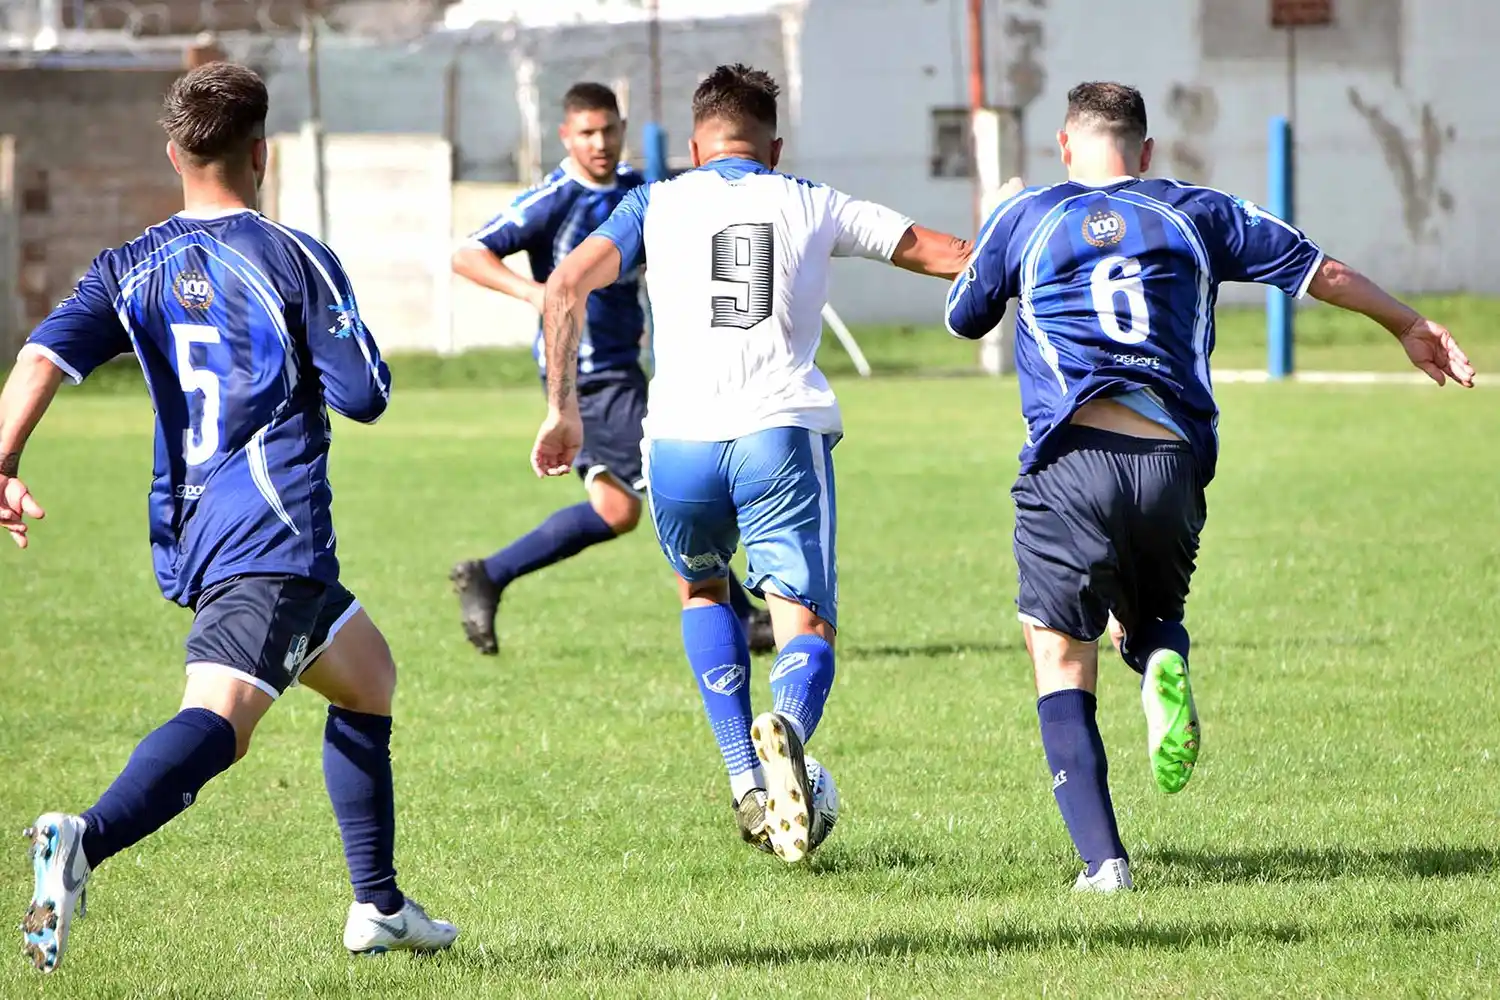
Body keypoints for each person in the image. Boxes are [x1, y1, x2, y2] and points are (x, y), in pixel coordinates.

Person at [945, 81, 1474, 892]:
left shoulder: (1031, 216)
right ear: (1147, 151)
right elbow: (1318, 272)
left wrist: (999, 228)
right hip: (1172, 464)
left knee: (1058, 651)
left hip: (1071, 461)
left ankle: (1105, 863)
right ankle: (1160, 654)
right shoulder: (1196, 210)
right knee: (1151, 617)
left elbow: (963, 315)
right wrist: (1406, 322)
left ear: (1063, 145)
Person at [0, 63, 459, 971]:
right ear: (263, 154)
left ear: (174, 153)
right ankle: (83, 837)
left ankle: (377, 906)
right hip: (275, 532)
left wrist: (2, 459)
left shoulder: (127, 266)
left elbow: (42, 356)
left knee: (368, 678)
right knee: (222, 718)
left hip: (202, 529)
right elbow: (364, 395)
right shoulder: (293, 255)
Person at [530, 64, 972, 862]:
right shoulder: (813, 199)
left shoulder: (653, 201)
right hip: (778, 432)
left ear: (697, 146)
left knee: (703, 589)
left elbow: (563, 289)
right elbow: (946, 256)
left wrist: (562, 409)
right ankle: (791, 731)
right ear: (774, 145)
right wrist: (1013, 239)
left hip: (676, 443)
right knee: (806, 622)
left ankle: (745, 780)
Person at [450, 81, 775, 657]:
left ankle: (490, 574)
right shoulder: (555, 198)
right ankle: (745, 619)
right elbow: (468, 253)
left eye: (609, 130)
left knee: (617, 510)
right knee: (679, 481)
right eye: (587, 133)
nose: (599, 142)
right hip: (588, 375)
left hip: (629, 371)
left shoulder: (638, 191)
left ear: (623, 128)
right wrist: (534, 294)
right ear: (565, 136)